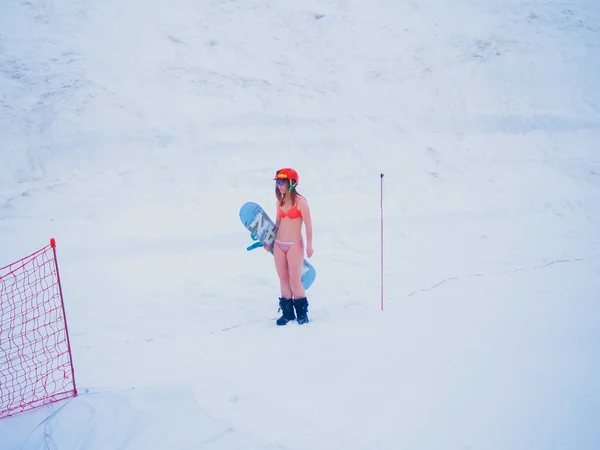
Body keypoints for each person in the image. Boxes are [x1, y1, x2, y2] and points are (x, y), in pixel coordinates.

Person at [264, 168, 314, 325]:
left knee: (294, 280)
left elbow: (308, 225)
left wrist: (309, 245)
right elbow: (277, 223)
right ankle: (287, 313)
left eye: (282, 182)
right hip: (279, 244)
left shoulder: (301, 202)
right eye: (277, 183)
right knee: (283, 279)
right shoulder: (280, 201)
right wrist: (269, 241)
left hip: (294, 245)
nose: (279, 186)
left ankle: (301, 312)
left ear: (291, 183)